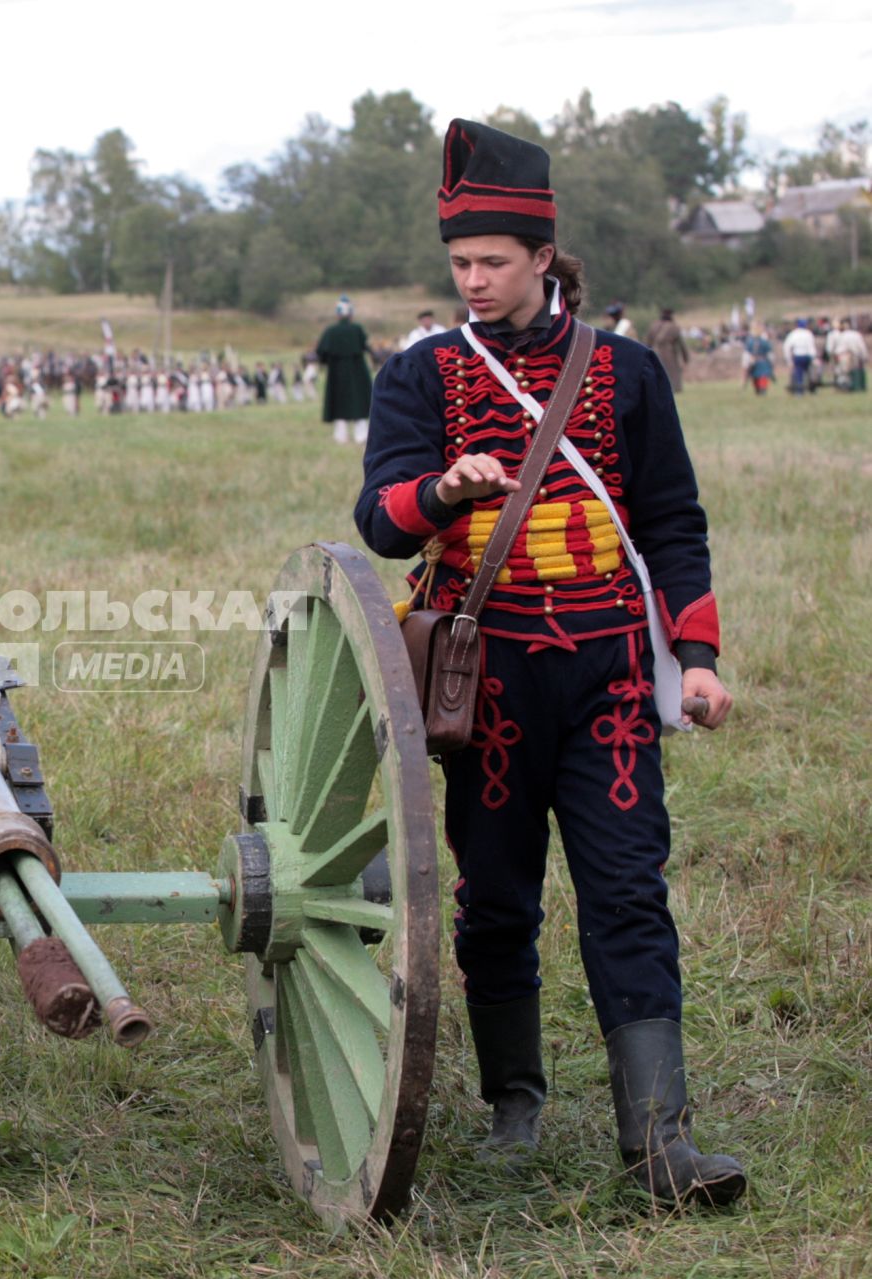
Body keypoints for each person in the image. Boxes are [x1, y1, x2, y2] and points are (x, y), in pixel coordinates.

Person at [356, 118, 743, 1207]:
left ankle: (658, 1143)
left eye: (490, 262)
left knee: (626, 890)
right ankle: (512, 1103)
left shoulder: (620, 368)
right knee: (492, 899)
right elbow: (379, 516)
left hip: (612, 668)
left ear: (540, 258)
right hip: (489, 677)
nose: (471, 281)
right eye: (459, 264)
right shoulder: (422, 372)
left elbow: (670, 521)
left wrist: (697, 655)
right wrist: (441, 491)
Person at [317, 296, 372, 444]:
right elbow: (365, 346)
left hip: (337, 371)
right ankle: (361, 435)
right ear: (351, 313)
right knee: (359, 401)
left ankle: (340, 436)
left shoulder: (331, 331)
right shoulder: (357, 329)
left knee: (339, 402)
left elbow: (321, 352)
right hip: (357, 370)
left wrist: (326, 362)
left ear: (338, 313)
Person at [645, 307, 690, 393]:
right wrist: (685, 358)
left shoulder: (653, 326)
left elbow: (647, 342)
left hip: (654, 352)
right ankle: (674, 388)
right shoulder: (674, 327)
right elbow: (681, 345)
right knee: (671, 372)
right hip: (669, 353)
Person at [826, 317, 867, 392]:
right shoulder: (855, 334)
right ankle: (852, 387)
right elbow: (861, 346)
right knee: (852, 372)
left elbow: (833, 348)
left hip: (843, 355)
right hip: (852, 355)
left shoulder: (841, 335)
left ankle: (844, 388)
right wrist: (864, 356)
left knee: (842, 373)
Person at [782, 319, 817, 395]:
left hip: (798, 356)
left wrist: (788, 359)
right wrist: (813, 357)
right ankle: (812, 389)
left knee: (798, 374)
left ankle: (799, 391)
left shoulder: (793, 334)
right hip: (807, 356)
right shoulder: (808, 333)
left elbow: (786, 346)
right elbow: (811, 347)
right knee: (809, 373)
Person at [742, 328, 775, 395]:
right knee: (760, 376)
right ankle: (761, 390)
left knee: (759, 377)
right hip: (761, 362)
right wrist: (772, 363)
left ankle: (761, 390)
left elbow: (746, 355)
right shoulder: (764, 342)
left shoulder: (750, 342)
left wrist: (745, 364)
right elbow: (770, 354)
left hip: (756, 362)